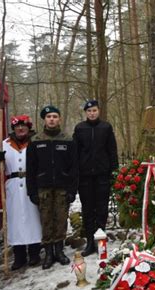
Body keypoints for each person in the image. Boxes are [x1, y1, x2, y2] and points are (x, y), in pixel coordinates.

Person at [26, 105, 78, 269]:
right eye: (49, 117)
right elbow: (31, 168)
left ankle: (59, 251)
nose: (52, 119)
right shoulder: (35, 141)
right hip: (43, 189)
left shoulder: (68, 140)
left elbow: (74, 167)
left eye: (55, 116)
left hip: (62, 187)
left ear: (59, 119)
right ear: (44, 120)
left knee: (61, 220)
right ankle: (48, 253)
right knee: (46, 220)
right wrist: (32, 191)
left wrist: (72, 190)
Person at [0, 115, 42, 270]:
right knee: (15, 221)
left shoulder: (35, 142)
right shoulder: (5, 144)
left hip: (31, 183)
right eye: (17, 126)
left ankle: (34, 253)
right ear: (13, 128)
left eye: (24, 126)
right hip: (13, 184)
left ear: (28, 128)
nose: (21, 129)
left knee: (33, 218)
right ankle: (19, 256)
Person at [73, 100, 118, 257]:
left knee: (101, 209)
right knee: (88, 209)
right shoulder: (80, 128)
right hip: (85, 177)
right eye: (89, 111)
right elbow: (75, 153)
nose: (92, 113)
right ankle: (90, 242)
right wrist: (76, 173)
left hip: (102, 175)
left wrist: (114, 171)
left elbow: (112, 150)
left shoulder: (106, 127)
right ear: (85, 113)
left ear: (99, 111)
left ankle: (100, 240)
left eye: (94, 110)